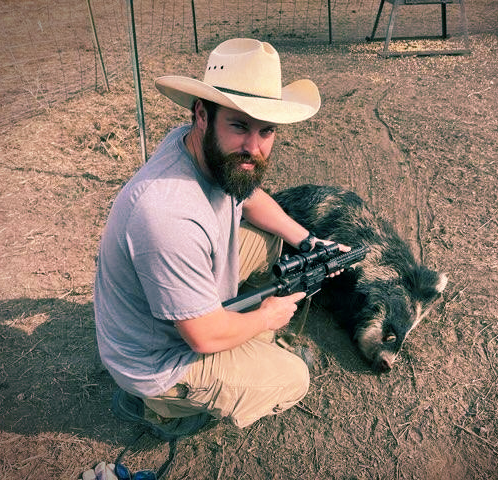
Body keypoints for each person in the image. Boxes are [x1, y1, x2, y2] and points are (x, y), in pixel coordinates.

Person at [94, 38, 344, 440]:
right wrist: (267, 317)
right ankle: (160, 406)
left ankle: (239, 336)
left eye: (266, 131)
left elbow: (250, 197)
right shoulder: (167, 213)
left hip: (172, 313)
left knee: (271, 240)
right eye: (239, 126)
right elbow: (203, 336)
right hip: (157, 358)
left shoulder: (201, 148)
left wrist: (308, 241)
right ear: (202, 114)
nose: (254, 148)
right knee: (294, 379)